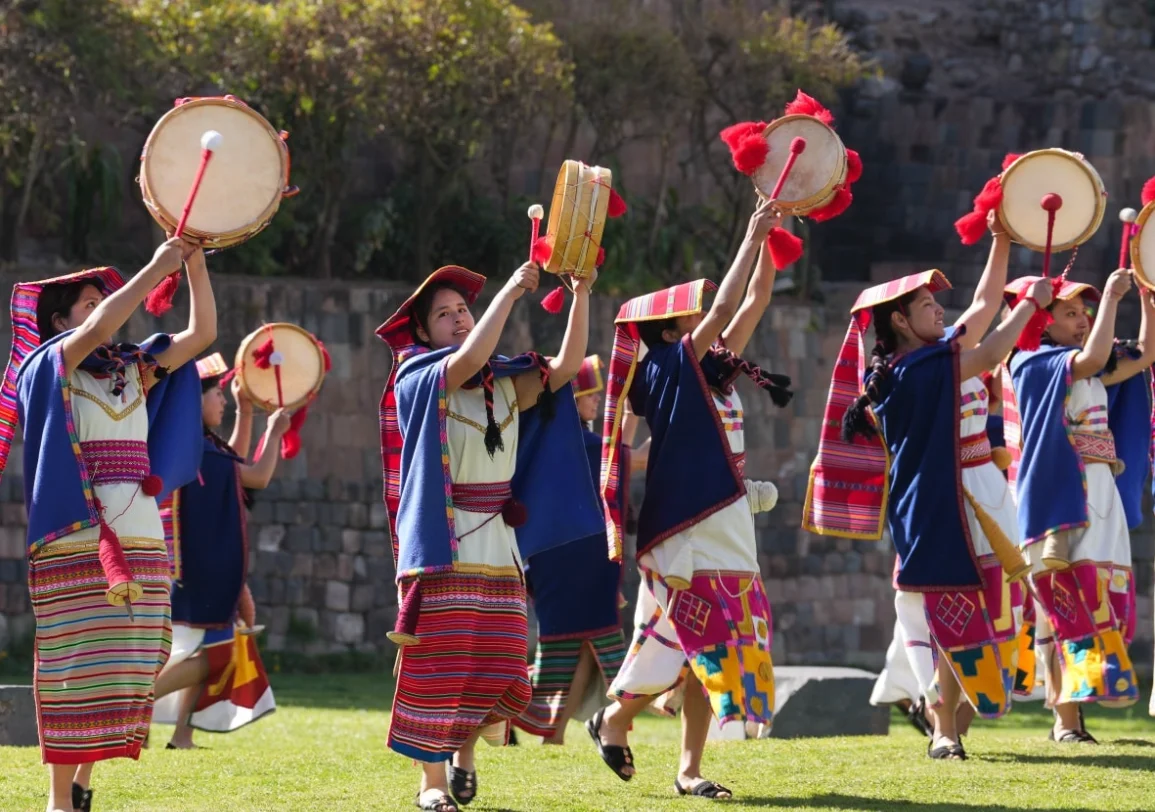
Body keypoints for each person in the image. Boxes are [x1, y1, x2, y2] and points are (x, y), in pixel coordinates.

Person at [807, 241, 1053, 760]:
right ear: (899, 320)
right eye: (926, 305)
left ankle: (953, 728)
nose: (941, 309)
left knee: (998, 617)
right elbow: (989, 352)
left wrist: (1002, 237)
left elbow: (984, 307)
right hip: (939, 506)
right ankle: (943, 730)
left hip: (985, 492)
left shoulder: (938, 353)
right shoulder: (912, 371)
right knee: (950, 616)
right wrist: (1030, 305)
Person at [377, 262, 603, 812]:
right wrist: (511, 290)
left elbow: (568, 367)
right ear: (424, 332)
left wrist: (581, 294)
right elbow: (469, 357)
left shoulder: (504, 379)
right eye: (444, 314)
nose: (458, 318)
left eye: (463, 310)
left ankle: (464, 754)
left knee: (497, 663)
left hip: (500, 543)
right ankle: (430, 786)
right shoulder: (416, 378)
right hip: (443, 541)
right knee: (439, 665)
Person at [0, 238, 215, 812]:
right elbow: (97, 329)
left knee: (125, 665)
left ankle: (84, 783)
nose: (107, 308)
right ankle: (57, 801)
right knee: (75, 667)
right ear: (59, 320)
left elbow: (201, 336)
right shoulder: (48, 364)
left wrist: (192, 263)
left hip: (142, 535)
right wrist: (154, 268)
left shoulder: (131, 371)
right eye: (93, 300)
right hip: (77, 535)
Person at [591, 199, 789, 801]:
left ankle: (684, 766)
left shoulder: (711, 378)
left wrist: (773, 245)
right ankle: (619, 719)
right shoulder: (664, 372)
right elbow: (728, 303)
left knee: (701, 644)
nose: (713, 326)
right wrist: (749, 233)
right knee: (696, 641)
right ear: (672, 334)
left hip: (725, 521)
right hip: (686, 529)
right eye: (696, 321)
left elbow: (751, 302)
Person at [1002, 270, 1151, 742]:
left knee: (1101, 591)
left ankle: (1078, 709)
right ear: (1041, 323)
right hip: (1058, 499)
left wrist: (1147, 296)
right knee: (1060, 604)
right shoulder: (1030, 362)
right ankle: (1065, 720)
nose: (1082, 318)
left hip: (1100, 491)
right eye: (1069, 312)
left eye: (1084, 311)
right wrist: (1110, 295)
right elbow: (1091, 360)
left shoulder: (1085, 362)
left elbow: (1146, 353)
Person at [152, 353, 287, 748]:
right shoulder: (201, 453)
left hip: (202, 565)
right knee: (218, 656)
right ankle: (137, 704)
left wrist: (246, 411)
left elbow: (233, 463)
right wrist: (274, 432)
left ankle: (181, 736)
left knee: (211, 650)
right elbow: (256, 477)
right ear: (196, 402)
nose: (222, 401)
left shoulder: (200, 448)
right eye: (217, 395)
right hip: (203, 568)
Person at [515, 355, 629, 745]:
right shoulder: (580, 444)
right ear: (571, 396)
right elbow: (625, 457)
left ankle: (554, 734)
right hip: (574, 557)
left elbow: (620, 453)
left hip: (570, 558)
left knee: (582, 645)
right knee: (567, 644)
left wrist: (626, 420)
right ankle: (496, 706)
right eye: (589, 394)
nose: (595, 402)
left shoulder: (557, 440)